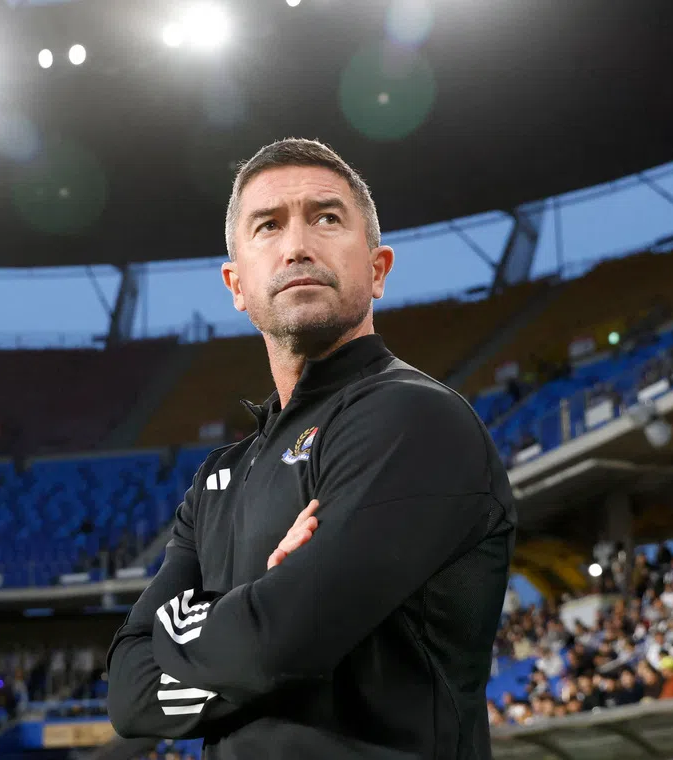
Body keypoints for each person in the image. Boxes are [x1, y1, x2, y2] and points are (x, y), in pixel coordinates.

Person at [106, 139, 517, 759]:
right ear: (236, 284)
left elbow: (278, 646)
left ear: (378, 270)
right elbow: (128, 694)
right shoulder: (219, 478)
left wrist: (220, 632)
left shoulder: (413, 418)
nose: (297, 245)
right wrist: (257, 608)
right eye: (268, 226)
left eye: (326, 218)